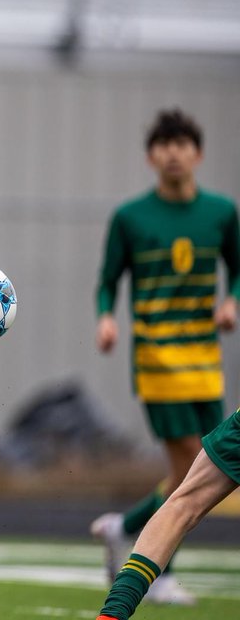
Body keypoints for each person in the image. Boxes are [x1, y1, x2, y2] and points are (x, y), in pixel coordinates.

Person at [90, 107, 240, 606]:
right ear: (151, 155)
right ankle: (161, 573)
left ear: (197, 153)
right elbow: (108, 281)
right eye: (164, 144)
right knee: (194, 470)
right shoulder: (130, 217)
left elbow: (237, 270)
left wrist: (230, 300)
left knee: (197, 473)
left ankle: (124, 527)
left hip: (205, 362)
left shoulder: (221, 212)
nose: (173, 152)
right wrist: (107, 317)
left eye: (183, 143)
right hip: (156, 362)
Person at [95, 405, 240, 619]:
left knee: (183, 500)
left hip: (207, 381)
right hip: (171, 381)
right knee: (185, 480)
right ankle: (154, 576)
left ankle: (125, 529)